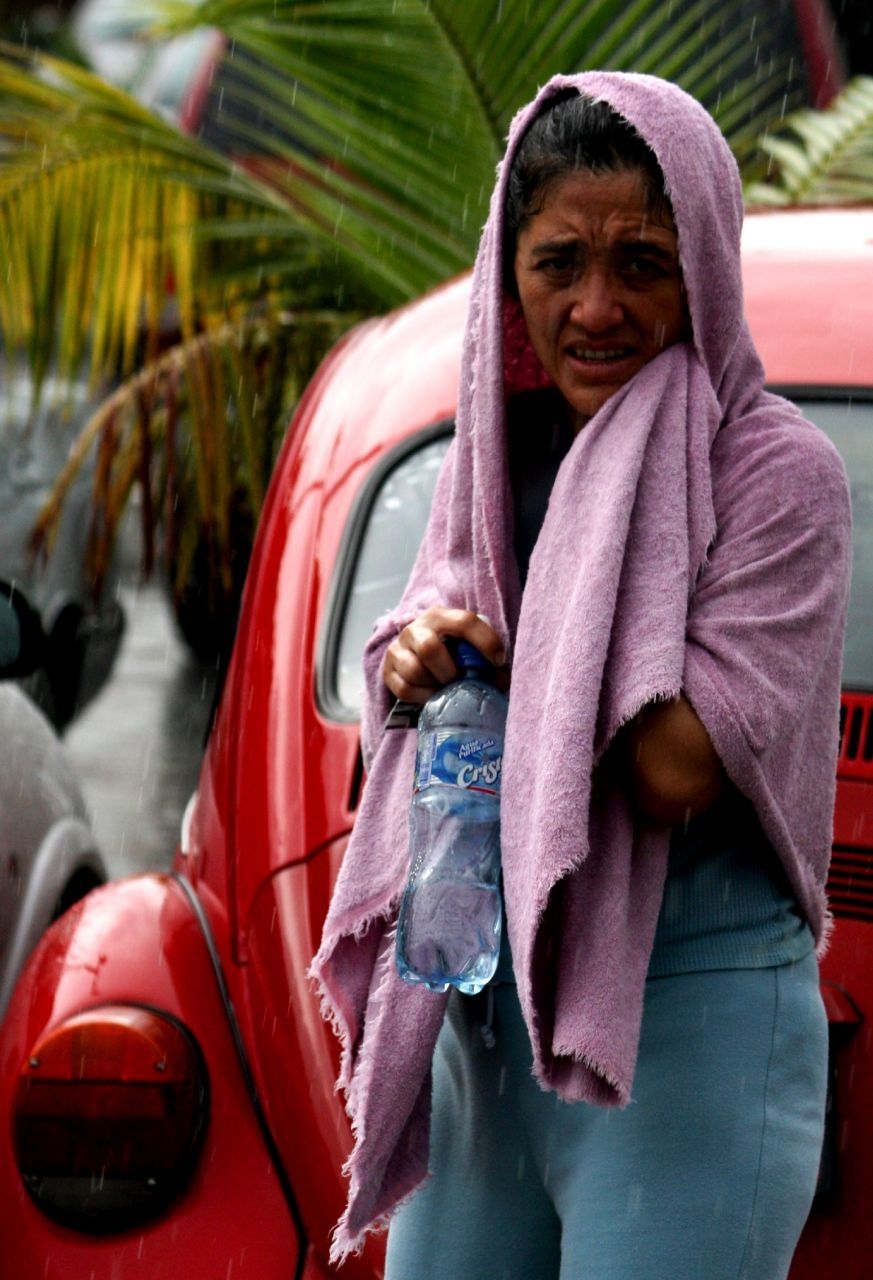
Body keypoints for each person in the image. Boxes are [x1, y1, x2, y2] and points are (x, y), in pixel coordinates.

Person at [311, 72, 852, 1280]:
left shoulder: (777, 475)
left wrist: (519, 660)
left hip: (694, 1027)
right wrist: (410, 662)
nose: (597, 307)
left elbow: (672, 766)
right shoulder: (491, 456)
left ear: (704, 262)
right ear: (512, 278)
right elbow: (425, 668)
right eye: (558, 262)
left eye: (642, 262)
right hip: (488, 1021)